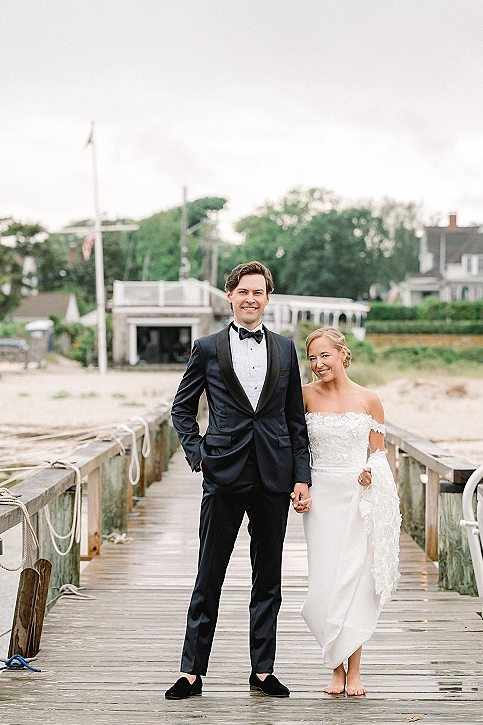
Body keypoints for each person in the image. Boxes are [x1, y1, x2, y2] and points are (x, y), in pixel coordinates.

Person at [165, 262, 311, 700]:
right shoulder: (207, 348)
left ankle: (262, 671)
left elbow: (295, 420)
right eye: (243, 291)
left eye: (259, 292)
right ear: (230, 295)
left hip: (273, 475)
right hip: (223, 474)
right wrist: (199, 458)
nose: (251, 299)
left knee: (268, 577)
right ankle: (192, 671)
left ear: (268, 299)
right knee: (209, 574)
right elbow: (182, 410)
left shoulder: (285, 349)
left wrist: (301, 477)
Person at [301, 327, 402, 696]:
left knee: (355, 583)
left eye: (325, 355)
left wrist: (369, 474)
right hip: (321, 499)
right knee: (326, 583)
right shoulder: (304, 396)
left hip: (357, 498)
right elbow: (295, 447)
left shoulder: (369, 399)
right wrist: (298, 489)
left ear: (343, 354)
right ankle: (334, 667)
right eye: (312, 357)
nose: (318, 364)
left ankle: (353, 670)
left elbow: (378, 455)